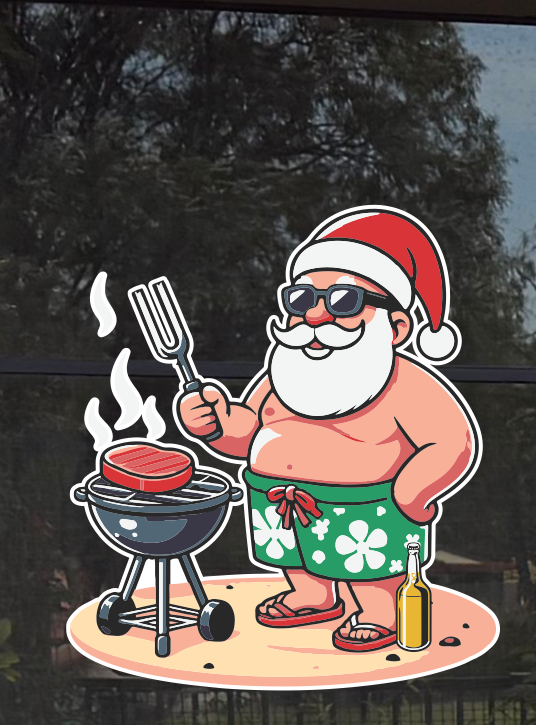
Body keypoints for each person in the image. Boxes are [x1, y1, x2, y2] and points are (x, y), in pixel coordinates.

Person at [176, 206, 481, 653]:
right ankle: (312, 596)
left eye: (344, 302)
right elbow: (247, 430)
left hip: (368, 510)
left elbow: (453, 441)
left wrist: (413, 490)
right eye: (301, 301)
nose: (316, 317)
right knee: (294, 559)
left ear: (396, 327)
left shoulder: (407, 384)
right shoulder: (284, 374)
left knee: (370, 570)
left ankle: (378, 611)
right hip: (277, 504)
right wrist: (216, 423)